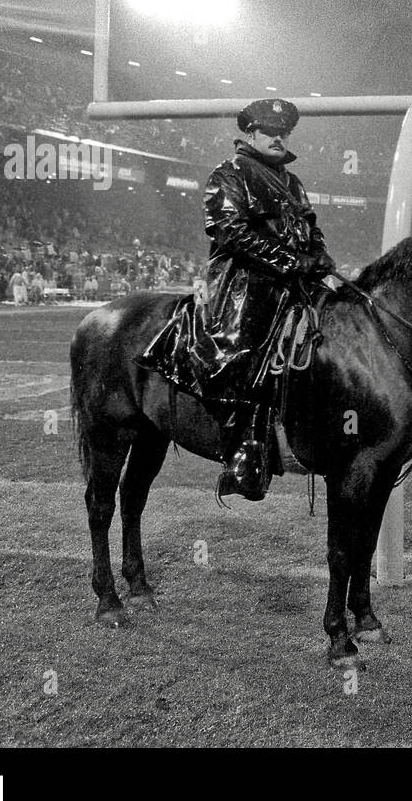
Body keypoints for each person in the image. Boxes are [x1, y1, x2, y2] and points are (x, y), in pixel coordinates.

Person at [137, 98, 334, 502]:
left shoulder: (292, 182)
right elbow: (231, 233)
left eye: (285, 132)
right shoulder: (228, 173)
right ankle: (243, 454)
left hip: (292, 281)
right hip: (243, 286)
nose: (279, 137)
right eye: (270, 131)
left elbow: (311, 229)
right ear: (250, 133)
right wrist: (291, 260)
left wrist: (318, 254)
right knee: (242, 349)